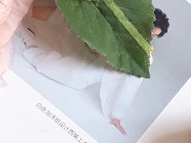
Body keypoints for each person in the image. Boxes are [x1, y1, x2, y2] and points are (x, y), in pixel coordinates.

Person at [19, 6, 170, 135]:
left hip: (87, 72)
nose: (149, 36)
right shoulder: (122, 27)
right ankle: (28, 27)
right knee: (62, 36)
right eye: (149, 30)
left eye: (154, 36)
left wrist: (117, 115)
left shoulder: (143, 58)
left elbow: (129, 88)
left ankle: (29, 39)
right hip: (88, 52)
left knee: (60, 72)